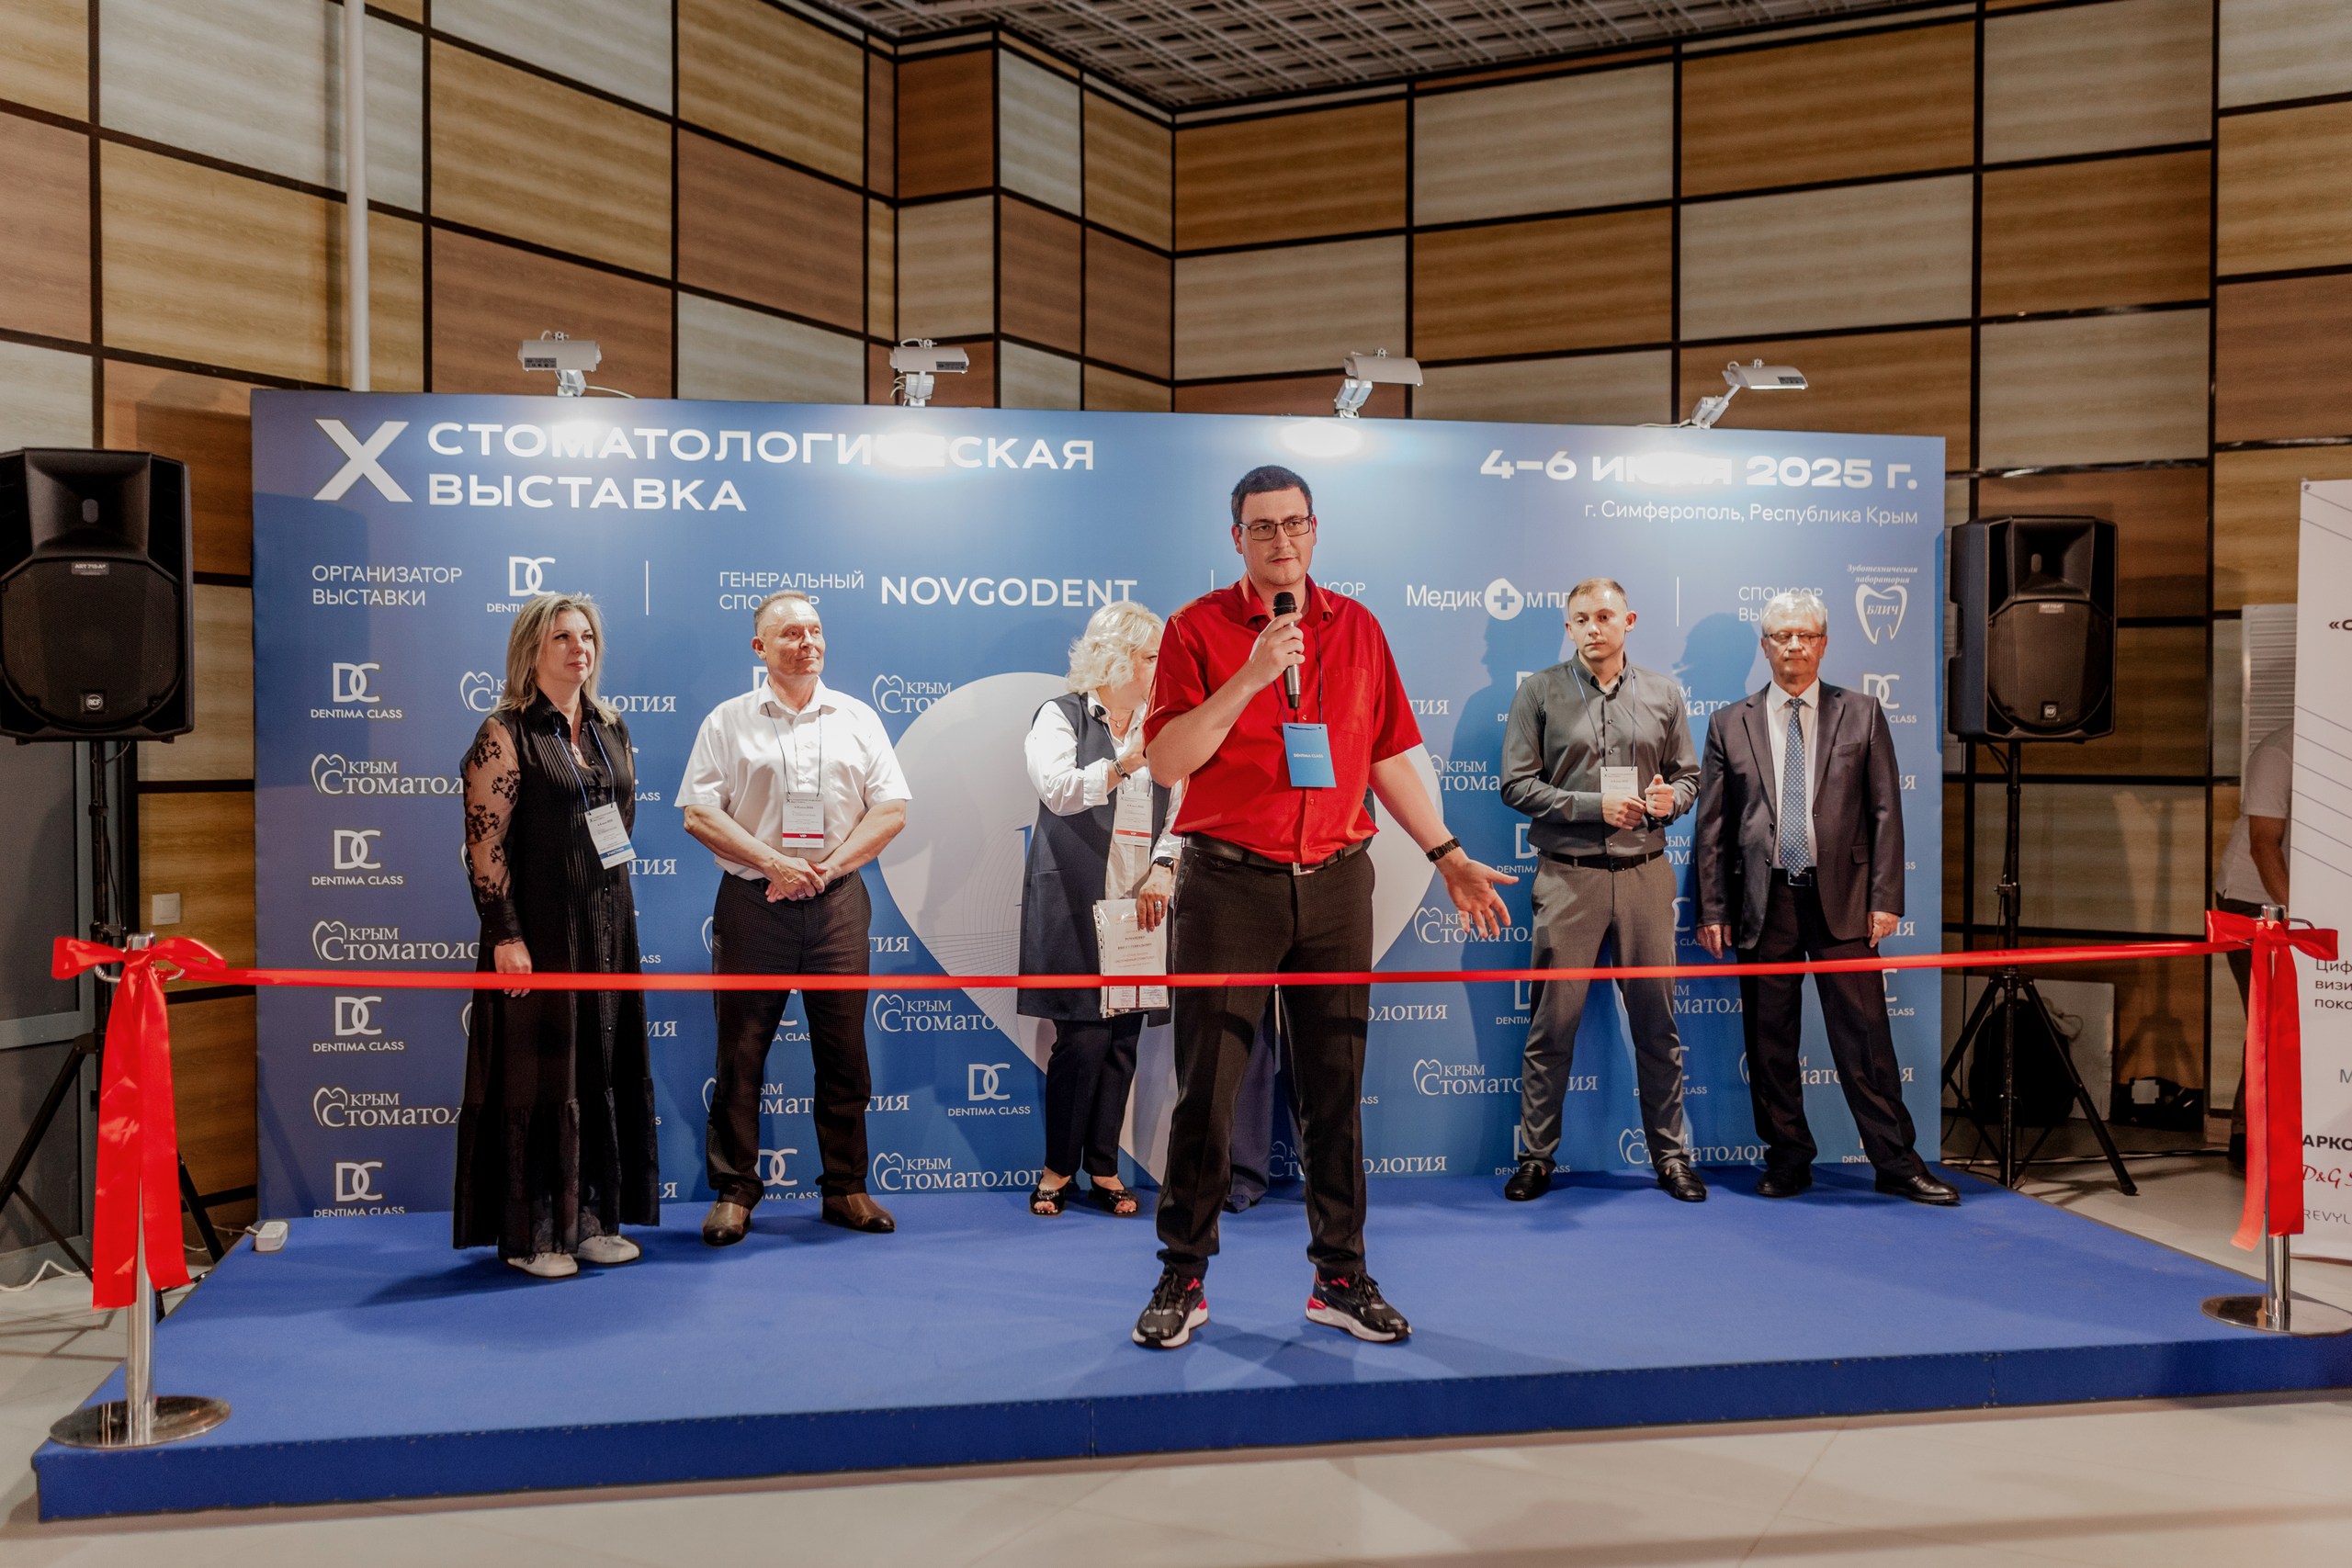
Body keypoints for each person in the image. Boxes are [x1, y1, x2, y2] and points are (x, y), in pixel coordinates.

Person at [1132, 463, 1515, 1349]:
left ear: (1315, 529)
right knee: (1208, 1094)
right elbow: (1167, 761)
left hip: (1340, 882)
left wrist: (1447, 854)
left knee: (1335, 1094)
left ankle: (1340, 1275)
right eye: (1262, 527)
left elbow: (1382, 755)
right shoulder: (1195, 628)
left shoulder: (1360, 627)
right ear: (1237, 538)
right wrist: (1250, 677)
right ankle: (1183, 1275)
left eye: (1294, 523)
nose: (1281, 540)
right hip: (1229, 884)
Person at [1691, 589, 1956, 1206]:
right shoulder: (1729, 723)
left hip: (1846, 899)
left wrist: (1886, 897)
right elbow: (1713, 827)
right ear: (1765, 646)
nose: (1794, 645)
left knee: (1866, 1037)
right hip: (1764, 903)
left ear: (1824, 644)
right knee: (1770, 1042)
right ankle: (1788, 1158)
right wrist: (1713, 908)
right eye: (1782, 635)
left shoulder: (1862, 712)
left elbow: (1886, 812)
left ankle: (1896, 1161)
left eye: (1806, 635)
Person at [678, 590, 910, 1246]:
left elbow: (891, 809)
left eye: (814, 630)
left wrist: (826, 869)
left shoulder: (858, 718)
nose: (806, 642)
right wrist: (774, 864)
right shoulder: (727, 721)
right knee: (741, 1052)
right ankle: (735, 1190)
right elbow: (699, 813)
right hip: (754, 903)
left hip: (838, 901)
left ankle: (846, 1187)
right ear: (760, 648)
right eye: (789, 633)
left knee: (844, 1051)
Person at [453, 592, 661, 1278]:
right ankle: (535, 1235)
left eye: (587, 637)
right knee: (541, 1074)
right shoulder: (505, 730)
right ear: (531, 651)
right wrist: (504, 933)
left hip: (607, 928)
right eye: (562, 638)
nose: (580, 649)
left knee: (600, 1066)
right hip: (539, 932)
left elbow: (620, 820)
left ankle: (593, 1221)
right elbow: (485, 845)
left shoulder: (609, 726)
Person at [1498, 579, 1705, 1204]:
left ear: (1629, 621)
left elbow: (1689, 777)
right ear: (1569, 626)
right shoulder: (1539, 692)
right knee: (1551, 1026)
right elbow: (1515, 784)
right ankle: (1536, 1157)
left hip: (1646, 874)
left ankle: (1671, 1157)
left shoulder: (1663, 693)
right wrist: (1593, 806)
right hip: (1568, 876)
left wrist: (1672, 800)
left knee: (1657, 1026)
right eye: (1582, 618)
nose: (1594, 627)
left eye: (1605, 616)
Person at [1018, 601, 1181, 1218]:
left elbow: (1184, 806)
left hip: (1141, 900)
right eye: (1151, 656)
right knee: (1082, 1039)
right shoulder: (1060, 715)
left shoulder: (1165, 722)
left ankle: (1104, 1167)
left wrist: (1165, 867)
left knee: (1122, 1040)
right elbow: (1058, 790)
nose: (1161, 666)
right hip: (1076, 896)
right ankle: (1058, 1167)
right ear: (1115, 659)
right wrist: (1122, 763)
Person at [2215, 722, 2293, 1171]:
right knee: (2271, 1020)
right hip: (2253, 902)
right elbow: (2265, 847)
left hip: (2316, 901)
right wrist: (2302, 920)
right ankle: (2248, 1137)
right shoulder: (2279, 752)